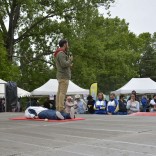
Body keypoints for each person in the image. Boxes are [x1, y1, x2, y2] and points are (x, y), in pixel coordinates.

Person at [54, 39, 73, 112]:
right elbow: (64, 64)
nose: (68, 45)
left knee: (59, 92)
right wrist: (70, 60)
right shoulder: (61, 53)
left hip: (60, 75)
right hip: (64, 76)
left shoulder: (58, 53)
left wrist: (68, 64)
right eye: (67, 44)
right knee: (62, 93)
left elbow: (63, 64)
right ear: (64, 44)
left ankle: (58, 107)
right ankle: (61, 108)